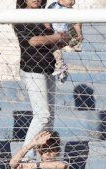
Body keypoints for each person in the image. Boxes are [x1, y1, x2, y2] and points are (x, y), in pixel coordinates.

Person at [14, 0, 70, 150]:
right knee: (42, 115)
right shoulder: (20, 15)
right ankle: (24, 157)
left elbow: (54, 41)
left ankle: (43, 158)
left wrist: (64, 39)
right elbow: (33, 41)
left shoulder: (47, 15)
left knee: (50, 117)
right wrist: (58, 37)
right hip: (32, 69)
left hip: (49, 68)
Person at [47, 0, 84, 82]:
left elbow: (76, 23)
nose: (72, 2)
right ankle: (61, 68)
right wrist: (48, 29)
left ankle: (61, 66)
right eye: (70, 0)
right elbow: (47, 19)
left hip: (64, 34)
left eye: (74, 0)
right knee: (55, 49)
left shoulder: (70, 10)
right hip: (54, 33)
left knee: (58, 48)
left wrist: (79, 33)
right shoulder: (53, 6)